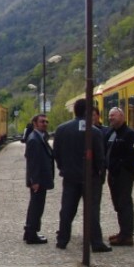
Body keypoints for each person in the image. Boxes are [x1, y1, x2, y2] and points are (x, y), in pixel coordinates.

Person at [53, 99, 112, 252]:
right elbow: (100, 157)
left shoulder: (61, 130)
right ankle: (96, 242)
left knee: (67, 210)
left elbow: (56, 154)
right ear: (87, 112)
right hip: (91, 178)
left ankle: (62, 240)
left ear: (75, 111)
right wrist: (100, 174)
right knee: (92, 210)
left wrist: (63, 168)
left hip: (70, 177)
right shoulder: (95, 132)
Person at [105, 107, 134, 246]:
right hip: (113, 173)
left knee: (124, 202)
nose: (111, 118)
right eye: (110, 116)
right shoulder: (112, 133)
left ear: (122, 116)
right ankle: (122, 232)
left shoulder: (130, 134)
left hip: (123, 174)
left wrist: (123, 167)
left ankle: (127, 235)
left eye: (113, 116)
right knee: (118, 203)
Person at [23, 114, 55, 244]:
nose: (45, 124)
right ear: (35, 123)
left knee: (36, 206)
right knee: (36, 207)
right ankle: (32, 234)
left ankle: (29, 232)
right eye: (42, 121)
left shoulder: (39, 137)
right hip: (38, 180)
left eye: (46, 121)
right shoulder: (34, 139)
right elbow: (33, 162)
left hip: (40, 179)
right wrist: (34, 181)